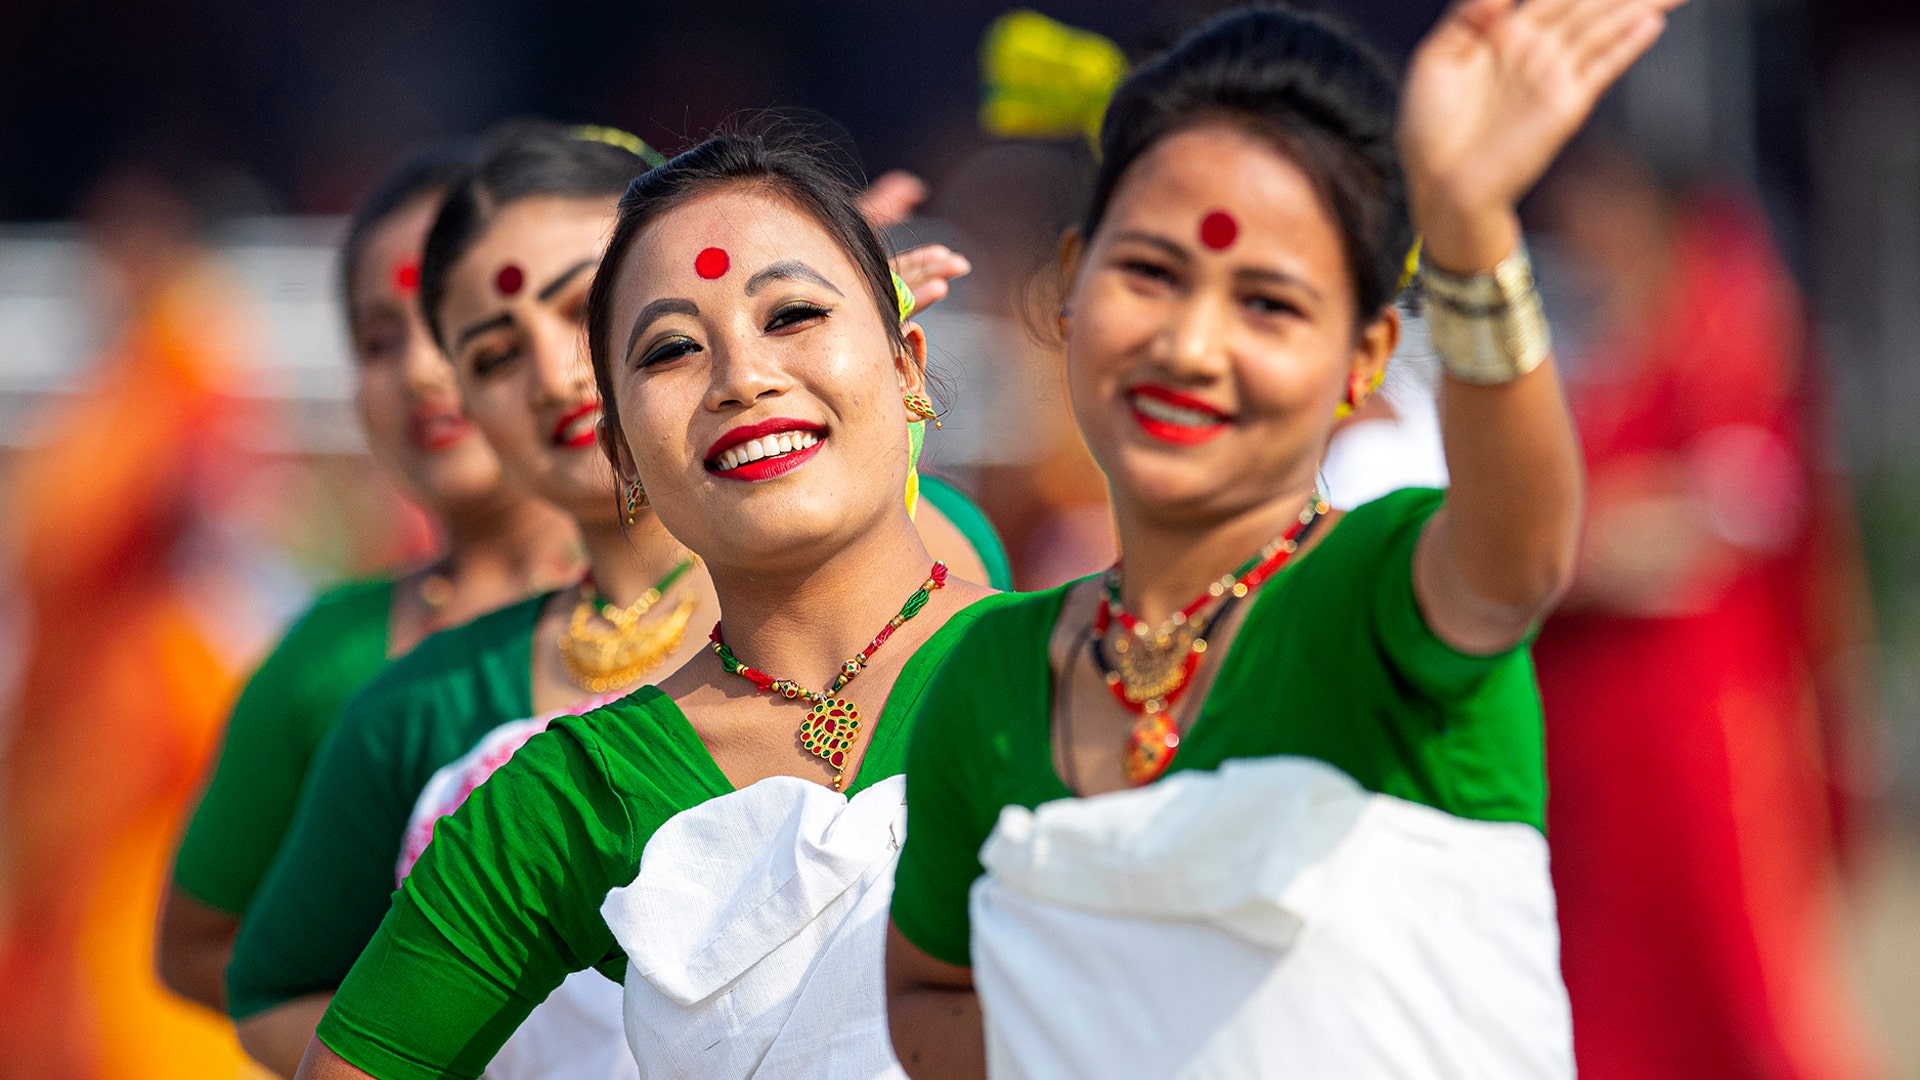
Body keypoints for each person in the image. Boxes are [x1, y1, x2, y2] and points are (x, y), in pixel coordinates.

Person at [883, 2, 1676, 1077]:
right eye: (1152, 274)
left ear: (1365, 359)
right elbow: (930, 988)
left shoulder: (1378, 599)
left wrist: (1469, 223)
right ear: (1070, 282)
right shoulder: (986, 676)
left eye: (1268, 304)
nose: (1192, 345)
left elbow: (1517, 559)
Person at [232, 123, 1003, 1078]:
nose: (744, 378)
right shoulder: (558, 795)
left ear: (907, 364)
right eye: (673, 347)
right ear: (624, 451)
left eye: (794, 316)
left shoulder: (1081, 672)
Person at [157, 141, 582, 1019]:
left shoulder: (716, 574)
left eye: (451, 320)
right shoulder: (338, 662)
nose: (423, 371)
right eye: (379, 341)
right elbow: (198, 945)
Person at [1530, 139, 1884, 1080]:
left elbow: (1728, 514)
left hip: (1700, 718)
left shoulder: (1725, 317)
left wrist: (1587, 545)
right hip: (1595, 721)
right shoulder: (1597, 336)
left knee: (1731, 980)